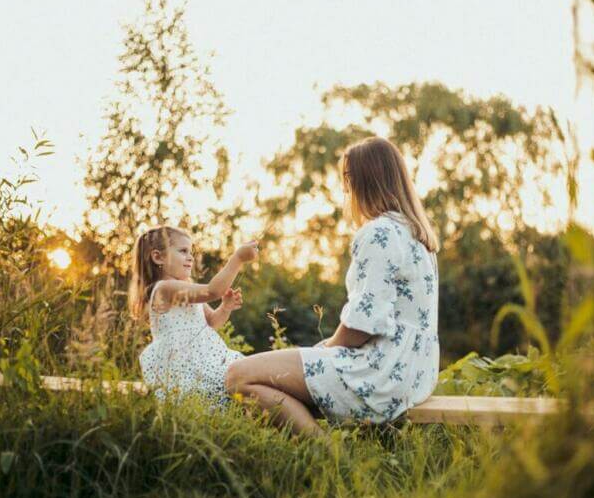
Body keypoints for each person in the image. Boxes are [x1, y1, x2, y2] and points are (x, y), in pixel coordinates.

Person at [225, 136, 440, 435]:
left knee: (237, 376)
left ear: (358, 180)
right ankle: (320, 449)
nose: (345, 187)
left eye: (347, 178)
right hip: (414, 375)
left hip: (380, 374)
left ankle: (325, 456)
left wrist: (326, 348)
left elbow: (363, 324)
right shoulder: (417, 236)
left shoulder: (379, 232)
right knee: (282, 382)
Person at [128, 225, 259, 403]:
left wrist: (225, 308)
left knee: (249, 380)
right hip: (189, 367)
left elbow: (212, 321)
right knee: (245, 382)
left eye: (191, 252)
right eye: (183, 251)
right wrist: (237, 258)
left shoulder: (183, 287)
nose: (190, 257)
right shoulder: (164, 289)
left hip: (205, 360)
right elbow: (212, 291)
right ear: (158, 257)